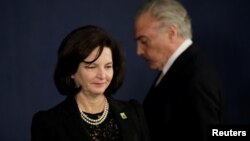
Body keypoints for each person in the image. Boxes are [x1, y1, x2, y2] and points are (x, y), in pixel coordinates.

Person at [31, 25, 150, 141]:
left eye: (108, 66)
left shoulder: (133, 112)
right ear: (71, 71)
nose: (102, 75)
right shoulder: (48, 123)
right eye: (91, 67)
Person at [134, 0, 224, 140]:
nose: (138, 51)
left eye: (144, 41)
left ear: (171, 33)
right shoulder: (180, 68)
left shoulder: (196, 76)